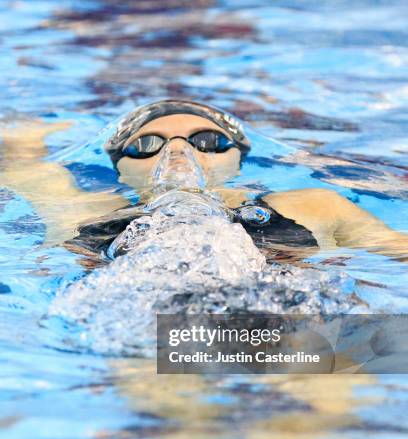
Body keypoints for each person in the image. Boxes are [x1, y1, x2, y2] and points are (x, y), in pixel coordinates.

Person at [1, 99, 407, 265]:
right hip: (141, 327)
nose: (178, 152)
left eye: (207, 141)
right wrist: (25, 138)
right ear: (120, 168)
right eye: (147, 144)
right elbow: (20, 167)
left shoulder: (315, 205)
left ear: (238, 160)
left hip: (291, 317)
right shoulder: (78, 209)